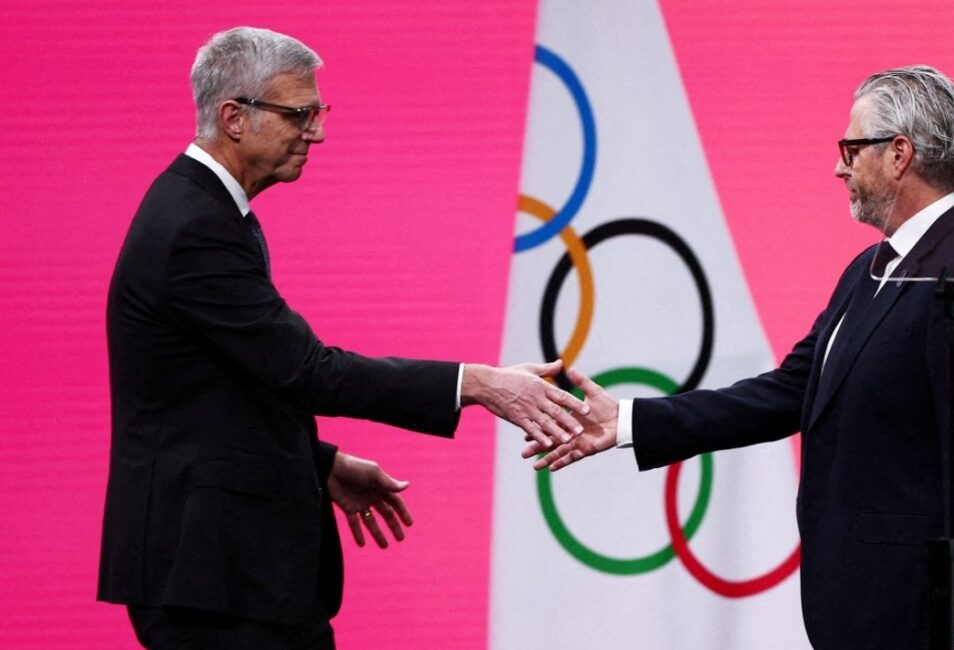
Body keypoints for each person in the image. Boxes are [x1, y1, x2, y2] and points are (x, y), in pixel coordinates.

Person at [98, 26, 588, 649]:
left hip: (223, 573)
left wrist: (318, 462)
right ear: (234, 118)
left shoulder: (201, 209)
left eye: (318, 112)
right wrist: (478, 384)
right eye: (298, 114)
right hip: (212, 578)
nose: (317, 133)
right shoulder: (196, 226)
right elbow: (306, 370)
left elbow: (222, 388)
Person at [532, 65, 954, 649]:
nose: (839, 167)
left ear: (898, 154)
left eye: (851, 148)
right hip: (856, 614)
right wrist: (627, 422)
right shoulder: (868, 270)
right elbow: (787, 393)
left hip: (916, 622)